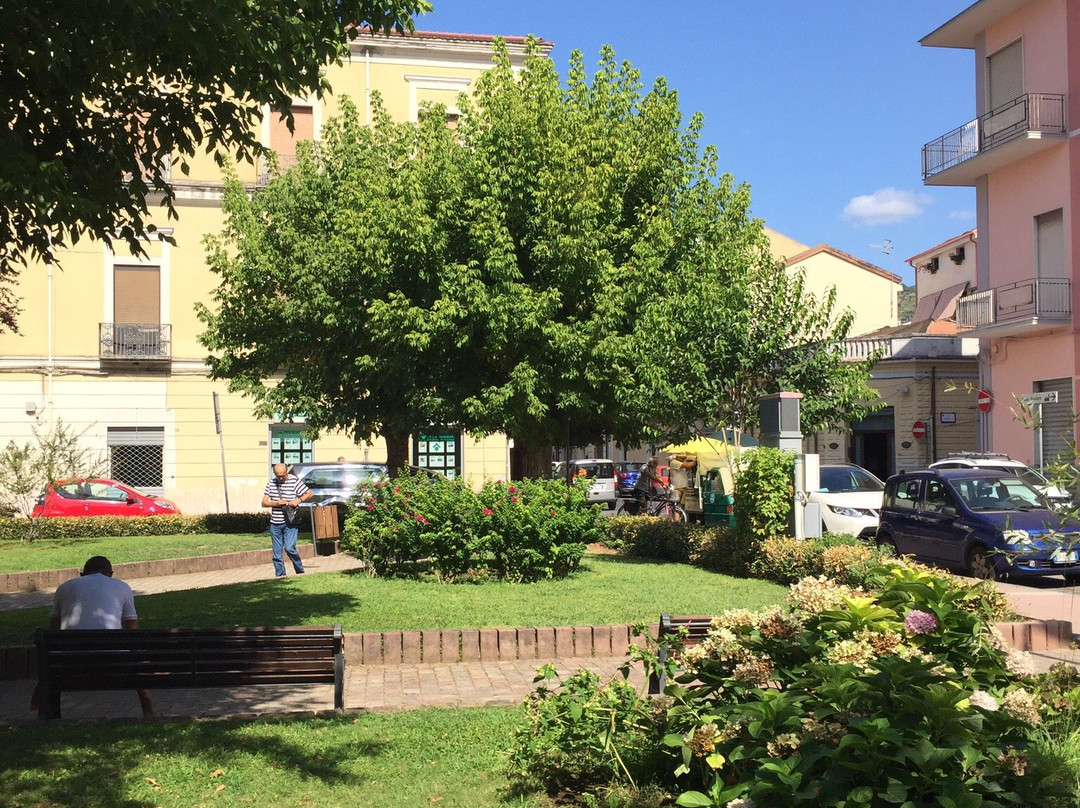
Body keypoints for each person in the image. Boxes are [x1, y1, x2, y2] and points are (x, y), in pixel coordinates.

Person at [43, 555, 154, 717]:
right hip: (113, 661)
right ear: (111, 573)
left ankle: (53, 716)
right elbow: (132, 630)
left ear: (82, 573)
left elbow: (53, 631)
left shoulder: (65, 587)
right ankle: (149, 713)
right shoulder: (122, 586)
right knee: (140, 662)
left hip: (70, 663)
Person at [262, 462, 313, 577]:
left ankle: (300, 570)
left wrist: (298, 500)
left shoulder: (294, 481)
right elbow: (264, 503)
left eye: (282, 475)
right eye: (278, 476)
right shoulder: (271, 483)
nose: (280, 478)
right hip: (275, 523)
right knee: (277, 553)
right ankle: (280, 575)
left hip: (290, 522)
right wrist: (276, 503)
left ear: (286, 472)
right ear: (274, 474)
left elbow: (309, 493)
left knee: (289, 548)